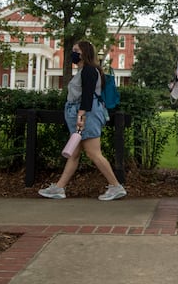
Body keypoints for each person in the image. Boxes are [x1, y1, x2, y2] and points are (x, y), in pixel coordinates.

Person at [38, 40, 127, 201]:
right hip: (84, 112)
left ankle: (115, 186)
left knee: (93, 153)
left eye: (76, 50)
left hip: (87, 113)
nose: (73, 53)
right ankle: (59, 188)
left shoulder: (89, 70)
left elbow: (87, 94)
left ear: (84, 53)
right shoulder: (85, 70)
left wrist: (81, 115)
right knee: (74, 153)